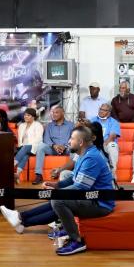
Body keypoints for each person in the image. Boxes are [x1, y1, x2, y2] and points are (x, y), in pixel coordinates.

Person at [51, 126, 116, 256]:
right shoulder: (83, 154)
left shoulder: (91, 157)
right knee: (57, 198)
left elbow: (80, 187)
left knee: (58, 200)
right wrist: (57, 185)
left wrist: (57, 193)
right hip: (90, 198)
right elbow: (74, 179)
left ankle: (77, 241)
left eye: (72, 138)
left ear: (81, 142)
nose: (69, 141)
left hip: (100, 204)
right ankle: (67, 230)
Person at [32, 105, 74, 185]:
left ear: (63, 113)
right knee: (41, 146)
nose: (54, 114)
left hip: (67, 149)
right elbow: (46, 139)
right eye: (53, 112)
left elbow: (72, 138)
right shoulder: (49, 126)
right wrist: (54, 146)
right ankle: (38, 175)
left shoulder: (70, 125)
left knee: (74, 148)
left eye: (56, 112)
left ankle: (71, 174)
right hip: (53, 149)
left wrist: (64, 146)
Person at [14, 108, 44, 183]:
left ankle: (12, 164)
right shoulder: (21, 126)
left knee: (26, 148)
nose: (26, 117)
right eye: (25, 115)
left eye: (28, 115)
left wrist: (27, 146)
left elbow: (39, 138)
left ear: (33, 117)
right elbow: (20, 140)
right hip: (24, 148)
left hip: (35, 146)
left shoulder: (38, 125)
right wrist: (21, 146)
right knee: (25, 155)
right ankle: (17, 174)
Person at [90, 103, 121, 172]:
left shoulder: (114, 122)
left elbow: (112, 137)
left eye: (104, 110)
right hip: (94, 145)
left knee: (113, 145)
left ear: (109, 113)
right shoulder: (92, 120)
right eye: (100, 109)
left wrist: (102, 145)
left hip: (107, 145)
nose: (101, 111)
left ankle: (112, 172)